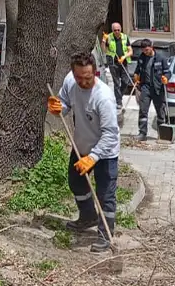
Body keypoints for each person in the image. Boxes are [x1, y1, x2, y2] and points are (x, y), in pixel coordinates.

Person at [47, 52, 121, 253]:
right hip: (81, 145)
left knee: (105, 194)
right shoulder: (71, 81)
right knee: (76, 182)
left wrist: (93, 157)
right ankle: (87, 216)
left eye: (87, 77)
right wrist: (57, 108)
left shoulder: (103, 97)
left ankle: (106, 234)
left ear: (94, 72)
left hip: (105, 153)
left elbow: (110, 135)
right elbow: (64, 103)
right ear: (73, 72)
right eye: (79, 77)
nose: (83, 82)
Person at [132, 39, 170, 141]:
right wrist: (136, 76)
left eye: (147, 50)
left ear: (151, 47)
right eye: (144, 50)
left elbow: (167, 72)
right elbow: (137, 70)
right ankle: (142, 133)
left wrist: (166, 78)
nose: (145, 52)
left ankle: (162, 134)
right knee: (143, 111)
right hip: (145, 88)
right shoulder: (142, 58)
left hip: (158, 89)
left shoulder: (161, 58)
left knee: (160, 113)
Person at [102, 22, 132, 110]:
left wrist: (124, 57)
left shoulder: (125, 37)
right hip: (113, 63)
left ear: (121, 29)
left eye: (118, 30)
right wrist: (104, 40)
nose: (117, 32)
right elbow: (104, 50)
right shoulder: (109, 37)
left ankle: (119, 96)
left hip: (123, 62)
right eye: (115, 30)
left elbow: (130, 51)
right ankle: (119, 102)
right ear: (112, 30)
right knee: (116, 83)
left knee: (126, 82)